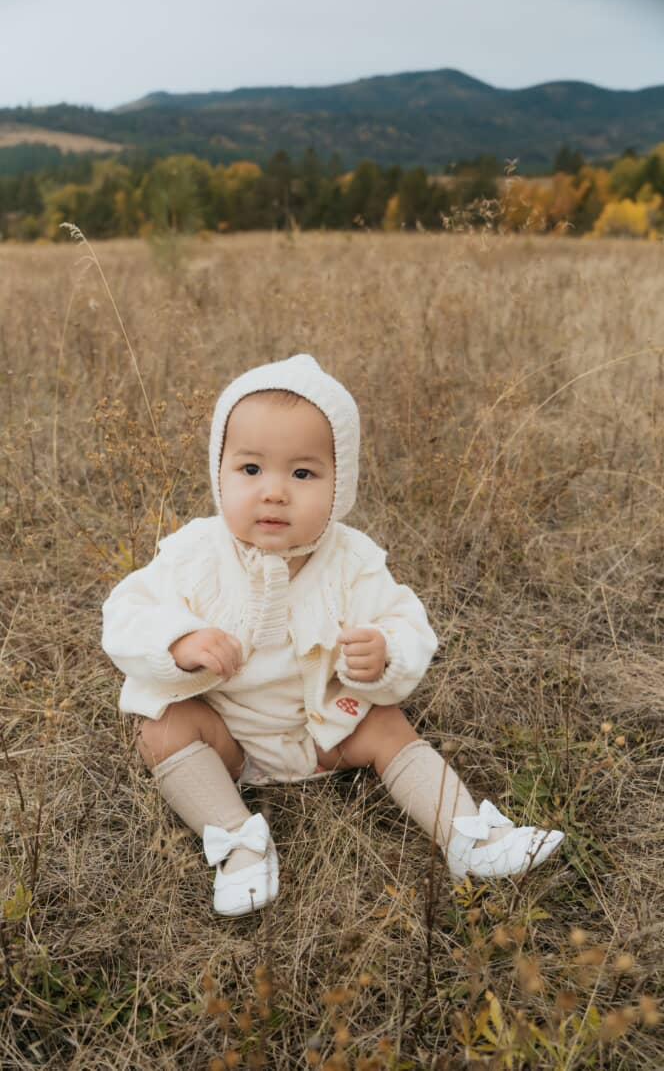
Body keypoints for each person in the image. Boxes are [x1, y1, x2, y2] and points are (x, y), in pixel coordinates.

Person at [101, 354, 564, 917]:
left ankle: (468, 835)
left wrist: (386, 651)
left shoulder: (353, 561)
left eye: (302, 474)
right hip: (226, 740)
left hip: (324, 732)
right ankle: (239, 843)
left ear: (340, 483)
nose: (274, 492)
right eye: (251, 469)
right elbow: (126, 612)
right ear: (219, 471)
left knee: (385, 723)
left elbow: (406, 621)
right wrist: (178, 642)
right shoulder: (194, 552)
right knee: (159, 726)